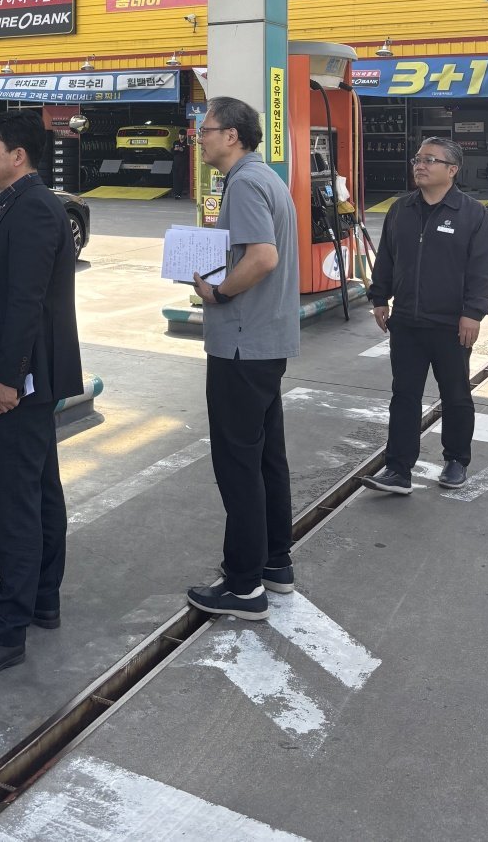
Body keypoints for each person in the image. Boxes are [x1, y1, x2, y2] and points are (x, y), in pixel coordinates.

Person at [0, 111, 83, 682]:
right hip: (34, 377)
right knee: (41, 487)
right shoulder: (26, 204)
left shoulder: (32, 210)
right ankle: (42, 596)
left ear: (17, 155)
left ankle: (7, 630)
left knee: (17, 501)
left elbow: (26, 301)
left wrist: (6, 377)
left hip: (23, 381)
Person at [189, 97, 300, 621]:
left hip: (240, 342)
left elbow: (262, 257)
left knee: (238, 466)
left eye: (205, 130)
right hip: (265, 341)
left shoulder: (245, 184)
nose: (200, 139)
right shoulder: (266, 178)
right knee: (266, 458)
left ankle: (243, 585)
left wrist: (218, 293)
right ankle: (275, 563)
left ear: (231, 135)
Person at [361, 137, 488, 495]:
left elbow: (483, 270)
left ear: (452, 170)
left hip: (451, 324)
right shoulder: (400, 209)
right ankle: (398, 470)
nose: (420, 165)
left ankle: (456, 460)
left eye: (430, 160)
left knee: (455, 394)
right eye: (418, 159)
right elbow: (386, 257)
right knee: (404, 395)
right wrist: (379, 298)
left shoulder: (472, 214)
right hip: (406, 321)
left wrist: (473, 313)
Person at [172, 131, 191, 200]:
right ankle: (175, 193)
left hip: (183, 163)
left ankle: (179, 194)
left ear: (185, 136)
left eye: (183, 135)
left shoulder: (187, 142)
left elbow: (190, 152)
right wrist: (175, 149)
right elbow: (172, 152)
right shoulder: (175, 142)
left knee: (181, 178)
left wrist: (183, 150)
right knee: (175, 178)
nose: (181, 136)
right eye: (180, 135)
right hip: (175, 163)